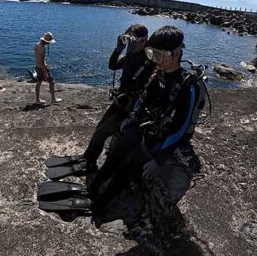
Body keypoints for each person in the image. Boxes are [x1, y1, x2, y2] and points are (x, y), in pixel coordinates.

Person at [89, 25, 202, 215]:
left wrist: (159, 160)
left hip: (160, 140)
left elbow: (180, 128)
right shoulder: (157, 75)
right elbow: (142, 101)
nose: (154, 59)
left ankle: (100, 205)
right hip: (144, 127)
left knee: (127, 167)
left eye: (158, 54)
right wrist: (130, 119)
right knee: (115, 154)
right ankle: (92, 190)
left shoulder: (187, 86)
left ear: (176, 53)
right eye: (151, 53)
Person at [82, 24, 154, 172]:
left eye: (132, 40)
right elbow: (112, 66)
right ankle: (87, 157)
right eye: (127, 39)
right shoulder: (131, 54)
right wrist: (118, 50)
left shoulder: (149, 59)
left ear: (144, 40)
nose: (130, 44)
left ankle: (90, 164)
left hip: (131, 106)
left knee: (102, 133)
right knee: (99, 129)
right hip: (121, 100)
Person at [35, 32, 62, 104]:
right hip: (42, 68)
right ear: (46, 41)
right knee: (51, 82)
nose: (49, 44)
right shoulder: (42, 48)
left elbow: (38, 59)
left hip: (37, 67)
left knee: (38, 83)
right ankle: (53, 99)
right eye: (49, 42)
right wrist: (45, 72)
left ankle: (37, 100)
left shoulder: (37, 45)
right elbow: (42, 61)